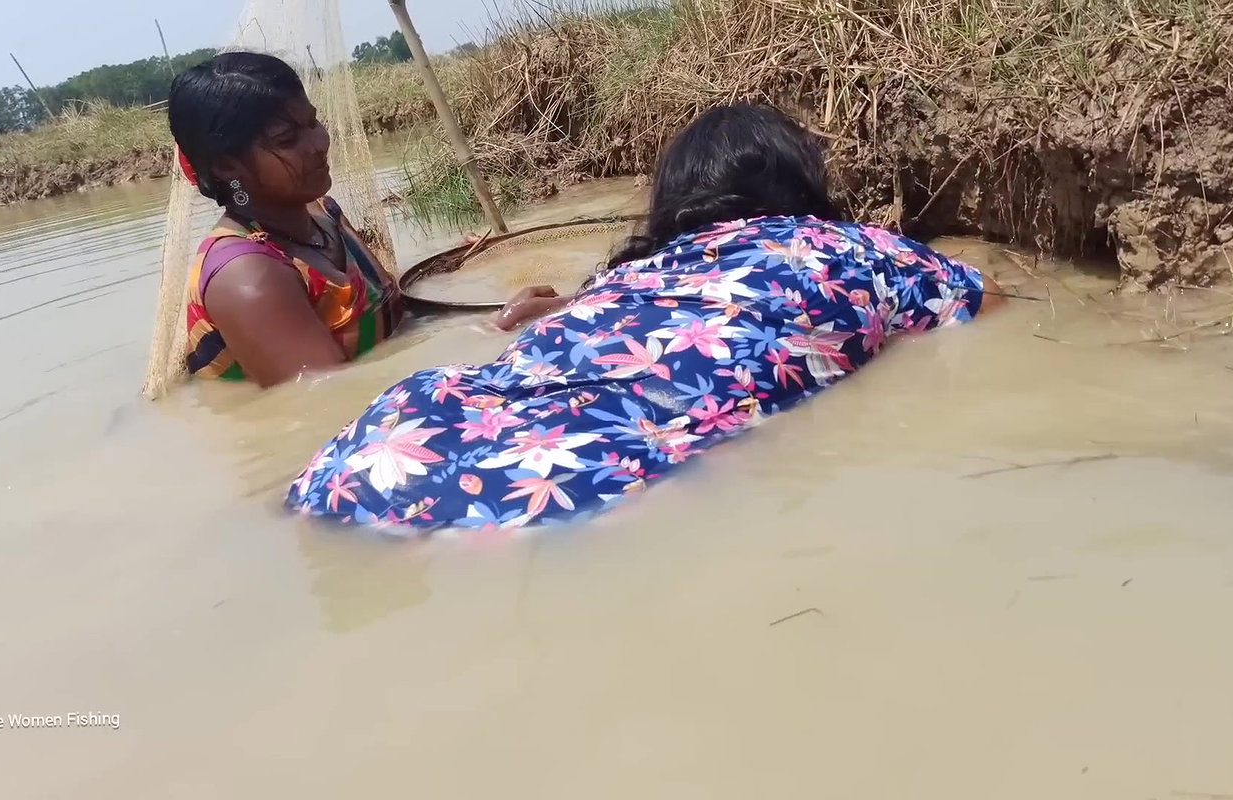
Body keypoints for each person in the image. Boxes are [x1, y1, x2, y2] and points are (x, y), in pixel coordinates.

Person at [286, 104, 1004, 531]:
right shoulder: (854, 249)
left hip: (370, 452)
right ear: (801, 184)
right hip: (556, 486)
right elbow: (988, 303)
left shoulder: (631, 275)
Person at [168, 52, 494, 388]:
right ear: (226, 166)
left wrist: (489, 316)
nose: (319, 143)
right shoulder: (246, 274)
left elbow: (397, 323)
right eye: (287, 139)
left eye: (312, 123)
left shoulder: (325, 215)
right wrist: (484, 336)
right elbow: (329, 400)